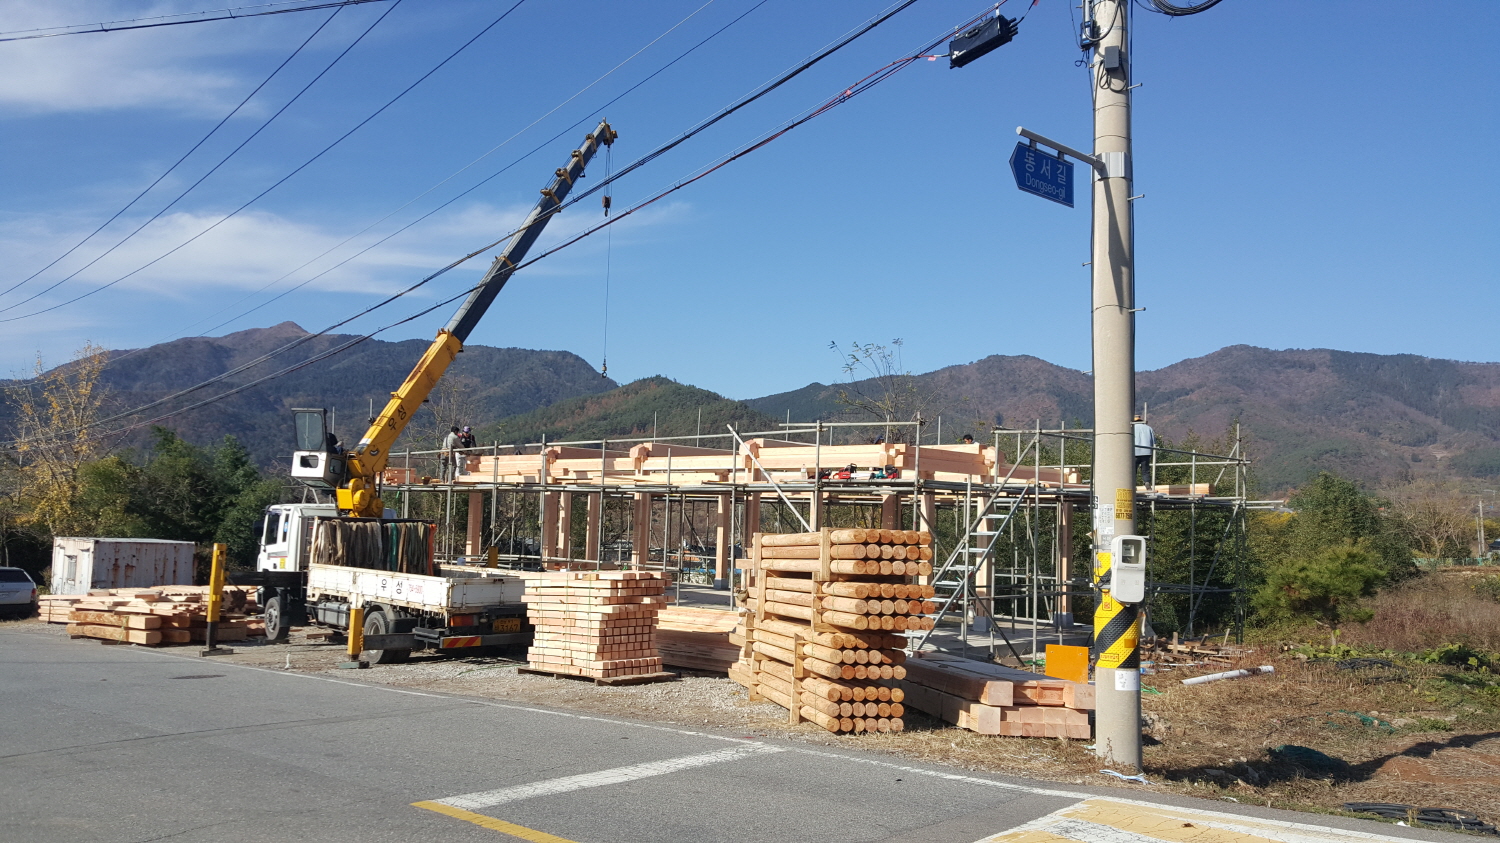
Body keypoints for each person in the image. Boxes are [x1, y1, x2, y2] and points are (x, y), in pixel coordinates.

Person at [1133, 414, 1155, 486]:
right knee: (1145, 470)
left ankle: (1133, 484)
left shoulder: (1131, 428)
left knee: (1133, 470)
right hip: (1146, 452)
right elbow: (1154, 442)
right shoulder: (1149, 428)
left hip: (1134, 452)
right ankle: (1147, 482)